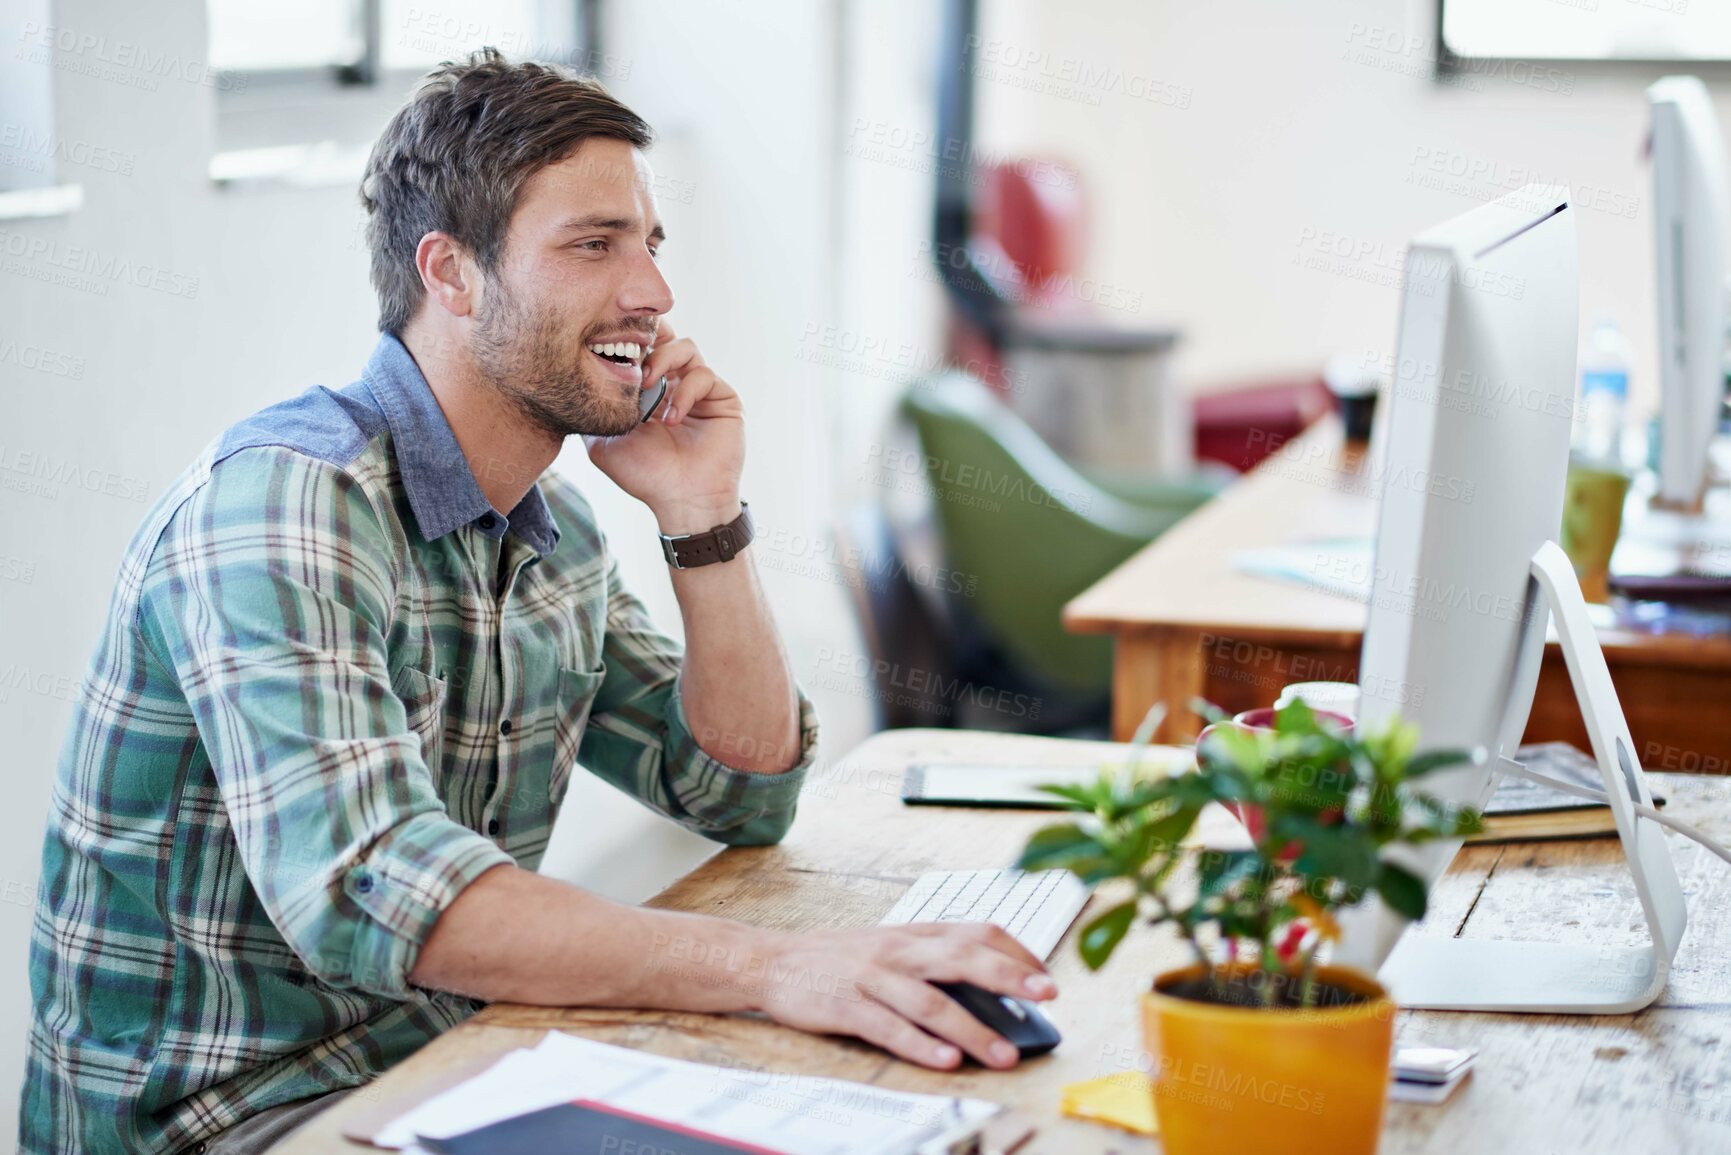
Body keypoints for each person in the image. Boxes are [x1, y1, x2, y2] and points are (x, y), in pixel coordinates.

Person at [20, 49, 1055, 1155]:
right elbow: (383, 886)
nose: (653, 291)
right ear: (452, 274)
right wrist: (777, 968)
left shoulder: (544, 528)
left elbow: (740, 791)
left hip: (458, 1069)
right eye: (593, 243)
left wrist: (703, 518)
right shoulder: (287, 506)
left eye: (650, 245)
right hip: (238, 1122)